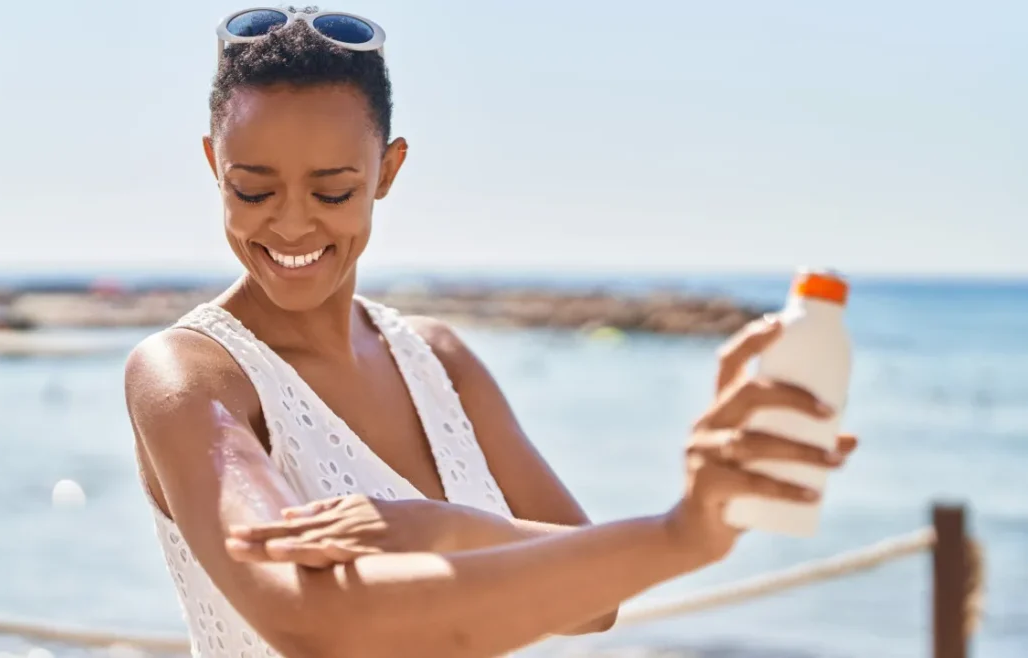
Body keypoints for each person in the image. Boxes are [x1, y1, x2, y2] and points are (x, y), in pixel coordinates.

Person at [124, 7, 859, 658]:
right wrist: (678, 535)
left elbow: (592, 605)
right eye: (252, 188)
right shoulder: (188, 374)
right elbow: (311, 625)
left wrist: (446, 530)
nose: (290, 223)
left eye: (333, 190)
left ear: (387, 169)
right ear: (214, 165)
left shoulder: (437, 361)